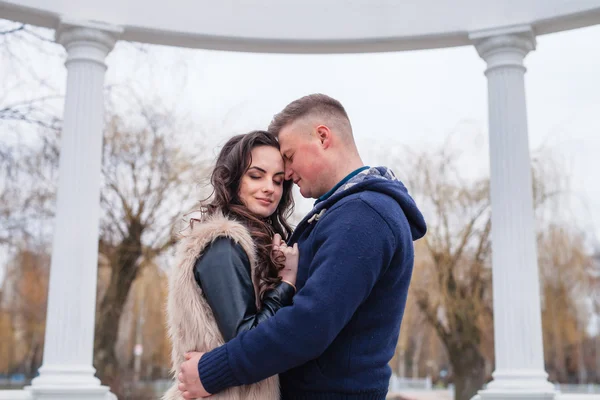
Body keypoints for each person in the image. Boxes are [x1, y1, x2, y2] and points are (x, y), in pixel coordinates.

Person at [178, 94, 427, 400]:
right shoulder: (342, 213)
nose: (288, 174)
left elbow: (311, 323)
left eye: (290, 157)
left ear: (323, 137)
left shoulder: (363, 216)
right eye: (257, 175)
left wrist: (213, 371)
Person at [163, 130, 299, 400]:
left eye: (278, 180)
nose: (269, 188)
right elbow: (247, 342)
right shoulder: (223, 244)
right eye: (256, 175)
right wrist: (287, 282)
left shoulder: (251, 246)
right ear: (233, 179)